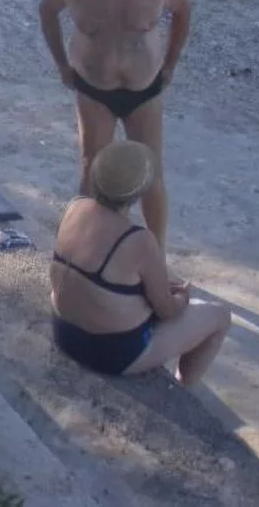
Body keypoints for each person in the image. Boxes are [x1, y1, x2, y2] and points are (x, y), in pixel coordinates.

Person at [38, 0, 191, 249]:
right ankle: (82, 248)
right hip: (94, 89)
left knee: (150, 175)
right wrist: (62, 64)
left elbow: (183, 12)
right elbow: (47, 10)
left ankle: (156, 252)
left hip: (144, 90)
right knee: (91, 172)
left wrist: (170, 65)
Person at [51, 141, 230, 383]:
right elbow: (166, 311)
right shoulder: (139, 240)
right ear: (138, 192)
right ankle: (180, 390)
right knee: (220, 317)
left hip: (64, 332)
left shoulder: (75, 206)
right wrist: (182, 298)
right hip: (112, 356)